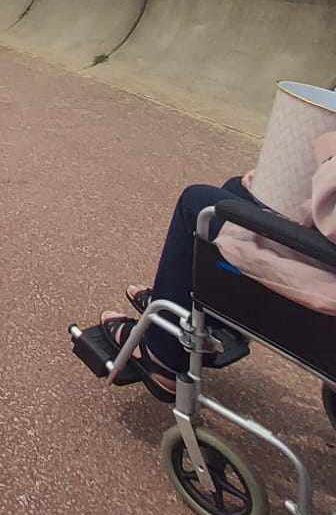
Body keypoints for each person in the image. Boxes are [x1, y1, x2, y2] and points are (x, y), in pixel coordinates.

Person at [101, 131, 336, 392]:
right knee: (239, 190)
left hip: (324, 276)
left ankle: (162, 355)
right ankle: (202, 318)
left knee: (197, 203)